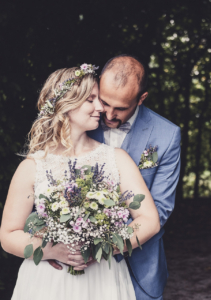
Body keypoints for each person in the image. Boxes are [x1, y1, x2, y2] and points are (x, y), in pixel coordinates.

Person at [0, 64, 160, 300]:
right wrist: (52, 249)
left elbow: (149, 221)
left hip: (103, 278)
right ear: (66, 105)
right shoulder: (33, 166)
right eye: (90, 99)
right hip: (47, 281)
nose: (100, 108)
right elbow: (8, 234)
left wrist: (104, 247)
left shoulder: (116, 158)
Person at [50, 55, 181, 300]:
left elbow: (160, 209)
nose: (108, 114)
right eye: (105, 102)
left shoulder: (167, 135)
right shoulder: (79, 121)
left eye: (120, 108)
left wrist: (100, 246)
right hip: (76, 265)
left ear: (141, 99)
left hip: (140, 264)